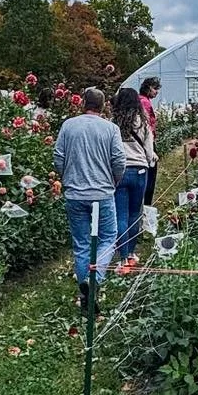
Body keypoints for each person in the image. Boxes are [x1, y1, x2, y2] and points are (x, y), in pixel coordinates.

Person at [53, 87, 125, 309]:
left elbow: (58, 157)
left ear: (83, 102)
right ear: (103, 106)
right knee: (108, 237)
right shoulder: (110, 128)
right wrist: (114, 181)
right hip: (102, 193)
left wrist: (67, 178)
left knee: (82, 243)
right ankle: (95, 280)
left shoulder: (68, 125)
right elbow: (119, 161)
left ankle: (85, 291)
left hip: (75, 194)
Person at [111, 85, 155, 267]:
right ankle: (130, 254)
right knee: (134, 214)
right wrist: (149, 160)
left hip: (120, 171)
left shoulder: (113, 123)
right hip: (139, 170)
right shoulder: (142, 122)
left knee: (120, 214)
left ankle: (122, 257)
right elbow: (149, 150)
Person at [139, 76, 161, 206]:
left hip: (143, 142)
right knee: (150, 177)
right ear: (147, 88)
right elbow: (146, 126)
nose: (156, 92)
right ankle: (147, 207)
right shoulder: (144, 102)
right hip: (147, 142)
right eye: (155, 88)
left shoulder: (142, 100)